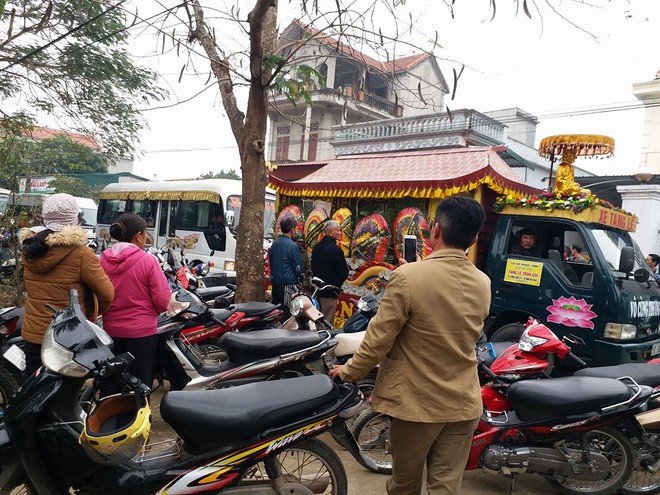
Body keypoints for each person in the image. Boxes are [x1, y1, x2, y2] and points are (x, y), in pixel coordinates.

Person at [330, 196, 491, 495]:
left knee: (404, 485)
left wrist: (348, 371)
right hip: (464, 403)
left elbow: (378, 339)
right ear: (474, 236)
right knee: (446, 487)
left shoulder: (407, 277)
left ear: (436, 232)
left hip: (418, 404)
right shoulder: (483, 281)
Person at [20, 193, 114, 377]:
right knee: (62, 396)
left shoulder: (29, 249)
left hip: (32, 333)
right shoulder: (81, 254)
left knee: (33, 392)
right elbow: (107, 294)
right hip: (67, 339)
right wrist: (90, 317)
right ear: (74, 219)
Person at [100, 213, 171, 391]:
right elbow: (163, 301)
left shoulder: (102, 260)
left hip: (110, 331)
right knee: (139, 383)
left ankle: (111, 416)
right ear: (138, 235)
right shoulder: (147, 261)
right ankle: (137, 416)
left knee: (112, 380)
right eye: (146, 233)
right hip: (141, 334)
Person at [311, 220, 349, 322]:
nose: (340, 233)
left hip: (317, 291)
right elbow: (343, 272)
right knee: (326, 320)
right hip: (330, 291)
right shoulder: (335, 250)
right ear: (331, 232)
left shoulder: (316, 247)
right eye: (338, 230)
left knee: (317, 318)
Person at [269, 217, 303, 315]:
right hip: (288, 286)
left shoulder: (275, 244)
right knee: (287, 314)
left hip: (275, 285)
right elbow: (299, 268)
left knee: (276, 313)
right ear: (292, 230)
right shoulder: (292, 246)